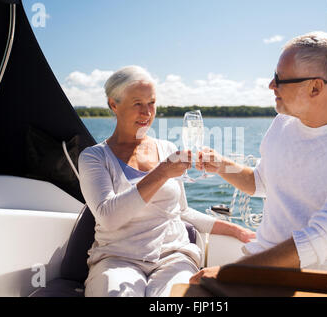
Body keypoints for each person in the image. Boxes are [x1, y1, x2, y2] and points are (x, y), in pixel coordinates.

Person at [191, 31, 327, 283]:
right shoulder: (283, 123)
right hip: (260, 268)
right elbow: (261, 183)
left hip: (323, 279)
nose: (271, 85)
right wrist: (222, 165)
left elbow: (321, 237)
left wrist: (230, 273)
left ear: (315, 87)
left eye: (280, 79)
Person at [78, 65, 255, 297]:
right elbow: (109, 217)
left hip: (174, 258)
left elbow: (182, 212)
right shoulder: (94, 157)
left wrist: (236, 230)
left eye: (151, 103)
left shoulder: (167, 149)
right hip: (117, 259)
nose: (147, 112)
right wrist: (161, 173)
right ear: (114, 105)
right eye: (137, 103)